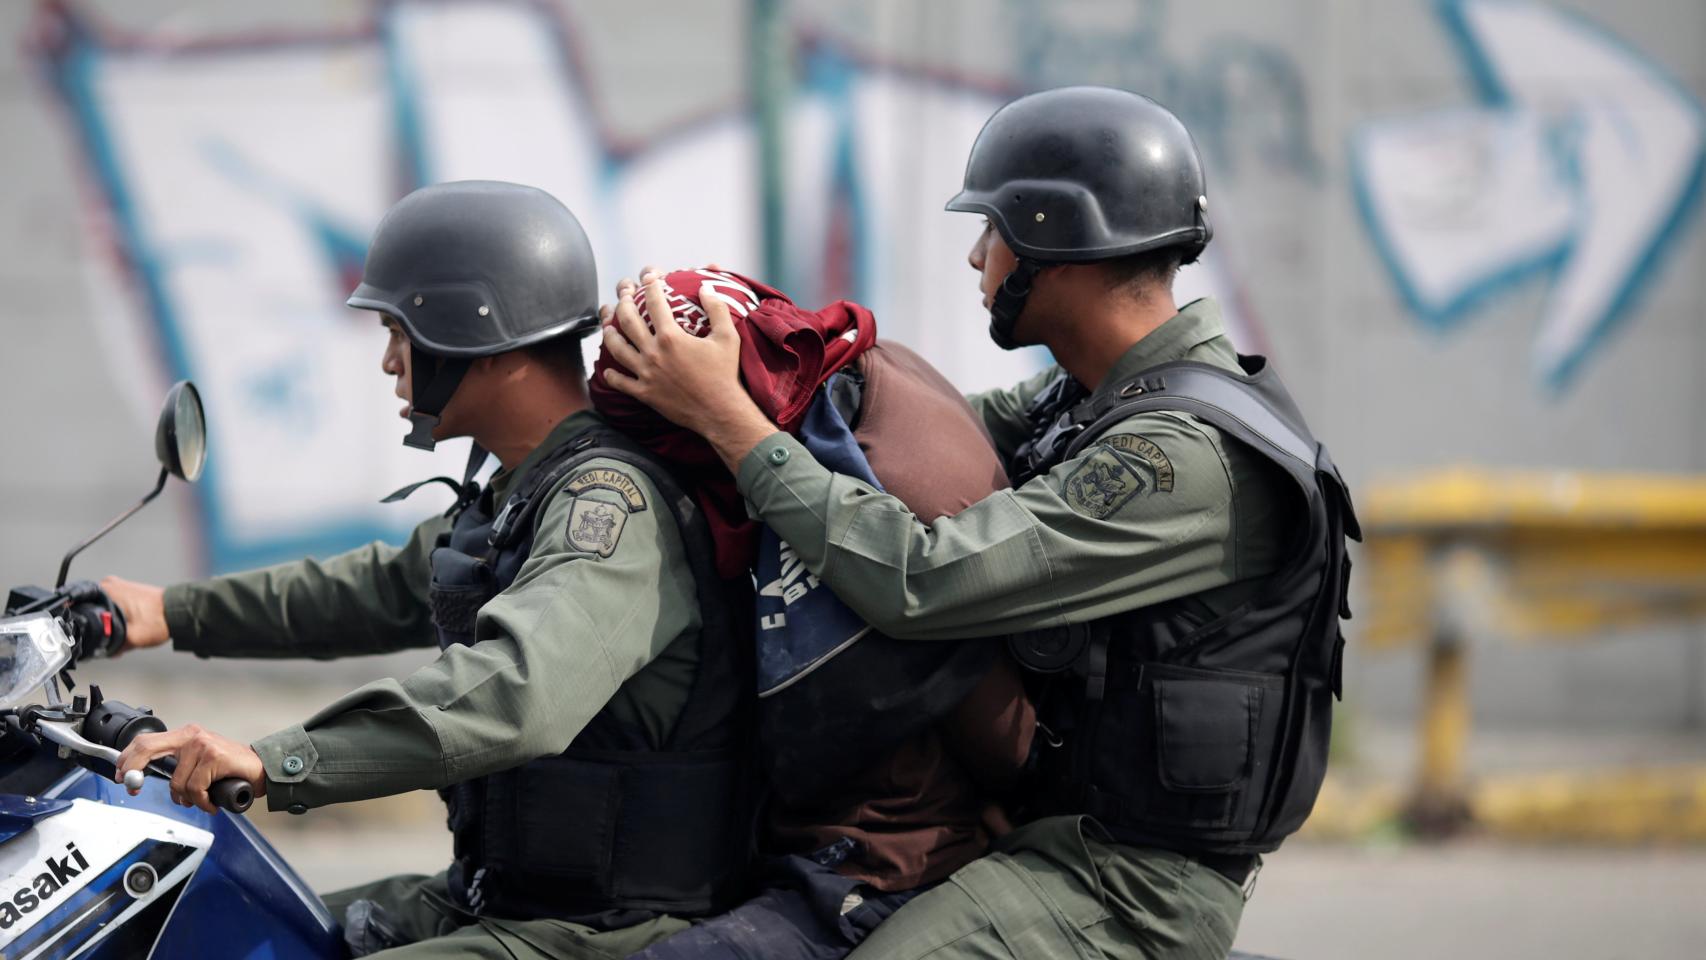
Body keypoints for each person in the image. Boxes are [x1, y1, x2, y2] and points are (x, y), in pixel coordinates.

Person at [600, 86, 1360, 960]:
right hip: (1041, 832)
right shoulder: (1092, 403)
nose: (975, 258)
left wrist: (731, 428)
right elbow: (911, 432)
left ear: (1055, 243)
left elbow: (920, 580)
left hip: (1129, 884)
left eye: (992, 231)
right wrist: (766, 370)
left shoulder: (1181, 460)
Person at [101, 180, 752, 959]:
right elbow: (372, 590)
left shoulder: (610, 508)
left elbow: (517, 694)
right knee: (203, 925)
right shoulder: (522, 493)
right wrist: (162, 612)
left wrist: (275, 760)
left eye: (399, 332)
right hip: (497, 898)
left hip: (602, 932)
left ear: (472, 334)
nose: (387, 363)